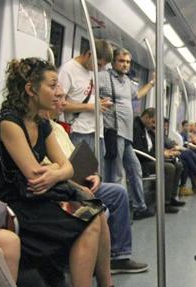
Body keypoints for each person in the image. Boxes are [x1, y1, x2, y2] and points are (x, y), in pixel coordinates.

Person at [0, 58, 112, 287]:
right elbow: (35, 176)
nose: (58, 91)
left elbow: (67, 166)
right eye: (52, 85)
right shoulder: (8, 122)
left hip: (31, 196)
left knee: (94, 212)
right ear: (31, 89)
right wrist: (58, 172)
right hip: (7, 201)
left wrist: (58, 174)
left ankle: (105, 283)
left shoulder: (41, 123)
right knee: (89, 219)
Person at [41, 84, 150, 274]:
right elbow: (50, 168)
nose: (64, 103)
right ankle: (77, 262)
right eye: (60, 98)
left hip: (77, 181)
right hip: (62, 187)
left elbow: (73, 159)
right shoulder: (39, 130)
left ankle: (119, 256)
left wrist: (94, 176)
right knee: (98, 211)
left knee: (118, 192)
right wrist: (75, 182)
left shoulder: (57, 128)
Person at [99, 48, 156, 219]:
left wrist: (152, 83)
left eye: (128, 62)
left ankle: (139, 207)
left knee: (135, 169)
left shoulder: (126, 81)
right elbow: (94, 92)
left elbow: (137, 95)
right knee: (116, 174)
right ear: (113, 62)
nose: (125, 65)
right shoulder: (104, 77)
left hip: (126, 135)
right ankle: (115, 213)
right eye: (121, 61)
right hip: (114, 132)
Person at [58, 39, 113, 172]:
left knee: (97, 176)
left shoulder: (92, 70)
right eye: (98, 64)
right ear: (89, 54)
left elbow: (87, 96)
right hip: (78, 130)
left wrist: (100, 103)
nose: (99, 69)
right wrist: (91, 107)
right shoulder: (68, 70)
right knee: (80, 175)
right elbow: (59, 104)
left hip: (96, 131)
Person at [132, 108, 186, 213]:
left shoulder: (149, 130)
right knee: (169, 168)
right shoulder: (136, 128)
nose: (154, 125)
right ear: (146, 117)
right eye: (153, 121)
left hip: (151, 159)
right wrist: (160, 155)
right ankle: (164, 204)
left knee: (178, 165)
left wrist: (166, 152)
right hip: (143, 163)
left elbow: (154, 146)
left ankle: (172, 198)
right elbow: (140, 151)